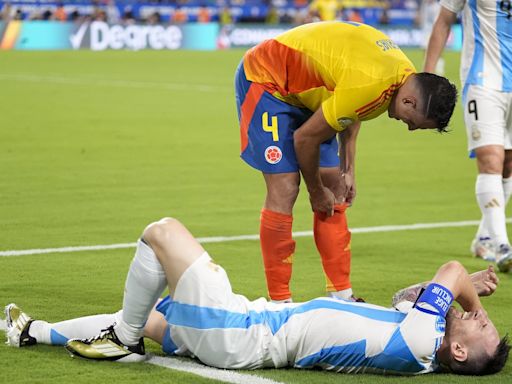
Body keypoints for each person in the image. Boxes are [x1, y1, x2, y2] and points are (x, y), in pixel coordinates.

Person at [4, 217, 509, 375]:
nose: (480, 319)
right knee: (154, 316)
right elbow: (409, 294)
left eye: (480, 327)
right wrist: (458, 293)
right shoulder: (417, 335)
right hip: (245, 327)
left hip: (244, 333)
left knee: (161, 232)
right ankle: (31, 332)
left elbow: (449, 272)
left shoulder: (422, 342)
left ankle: (124, 337)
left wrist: (471, 299)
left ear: (459, 351)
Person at [235, 21, 458, 303]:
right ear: (410, 103)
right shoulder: (372, 84)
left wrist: (347, 168)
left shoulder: (402, 76)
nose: (410, 129)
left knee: (337, 188)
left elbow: (354, 110)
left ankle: (342, 296)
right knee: (286, 187)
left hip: (312, 92)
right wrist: (315, 192)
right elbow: (305, 139)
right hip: (267, 81)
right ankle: (279, 303)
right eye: (415, 124)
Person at [424, 0, 512, 272]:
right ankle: (502, 246)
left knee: (508, 165)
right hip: (483, 81)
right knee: (491, 158)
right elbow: (443, 20)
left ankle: (484, 237)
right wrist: (427, 76)